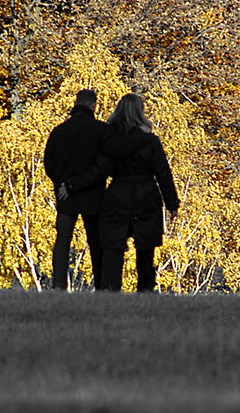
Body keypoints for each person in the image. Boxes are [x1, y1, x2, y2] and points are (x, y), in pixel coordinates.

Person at [62, 93, 179, 292]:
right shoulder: (150, 142)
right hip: (146, 195)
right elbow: (163, 173)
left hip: (117, 195)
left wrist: (72, 185)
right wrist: (172, 203)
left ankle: (110, 289)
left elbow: (98, 170)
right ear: (140, 113)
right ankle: (145, 290)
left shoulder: (109, 142)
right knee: (145, 248)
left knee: (112, 248)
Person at [43, 89, 107, 289]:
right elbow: (102, 166)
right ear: (94, 105)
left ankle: (59, 285)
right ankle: (102, 286)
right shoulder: (101, 131)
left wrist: (63, 185)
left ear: (76, 103)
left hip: (65, 195)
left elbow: (49, 163)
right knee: (96, 243)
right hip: (93, 194)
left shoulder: (60, 131)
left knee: (62, 241)